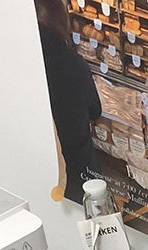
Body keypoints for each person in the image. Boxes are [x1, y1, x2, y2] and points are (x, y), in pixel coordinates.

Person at [35, 0, 102, 203]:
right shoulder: (71, 63)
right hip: (77, 165)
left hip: (40, 164)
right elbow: (95, 110)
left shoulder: (25, 62)